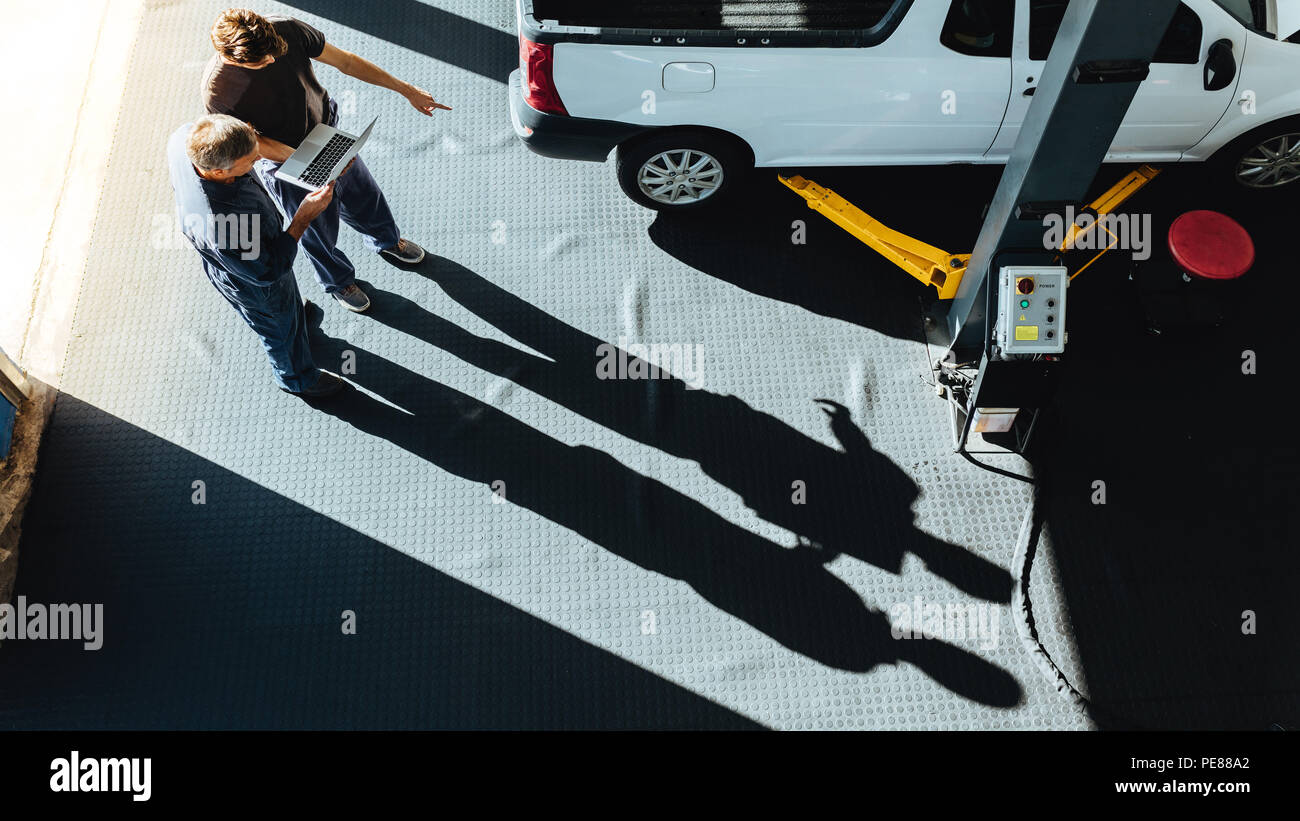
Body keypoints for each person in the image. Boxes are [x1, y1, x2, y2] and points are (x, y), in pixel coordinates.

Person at [201, 8, 451, 313]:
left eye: (273, 54)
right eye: (261, 61)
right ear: (232, 57)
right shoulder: (217, 92)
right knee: (315, 228)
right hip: (285, 161)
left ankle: (387, 241)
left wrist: (406, 90)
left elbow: (345, 61)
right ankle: (338, 281)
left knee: (366, 196)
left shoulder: (287, 29)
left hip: (326, 131)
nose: (270, 61)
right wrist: (309, 160)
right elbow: (252, 143)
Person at [167, 113, 345, 397]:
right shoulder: (224, 224)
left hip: (257, 249)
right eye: (250, 162)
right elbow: (268, 271)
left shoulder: (185, 136)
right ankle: (297, 379)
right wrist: (302, 218)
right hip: (254, 281)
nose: (258, 163)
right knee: (277, 329)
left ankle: (297, 321)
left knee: (289, 311)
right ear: (218, 172)